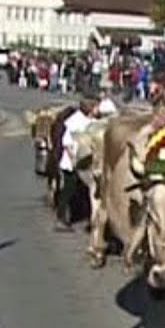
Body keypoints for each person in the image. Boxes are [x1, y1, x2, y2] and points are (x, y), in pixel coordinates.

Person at [54, 98, 96, 232]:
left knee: (84, 190)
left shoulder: (90, 121)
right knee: (68, 190)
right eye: (95, 107)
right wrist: (74, 158)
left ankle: (86, 216)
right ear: (90, 108)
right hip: (73, 162)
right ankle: (61, 218)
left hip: (85, 162)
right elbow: (67, 142)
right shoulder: (75, 121)